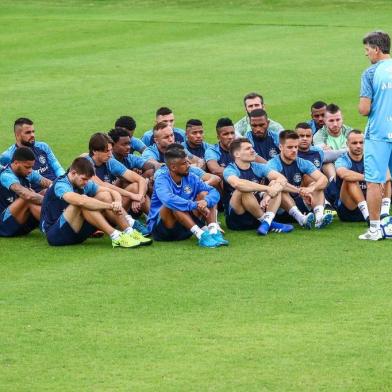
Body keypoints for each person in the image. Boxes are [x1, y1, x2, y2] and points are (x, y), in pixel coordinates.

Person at [40, 157, 151, 247]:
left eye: (88, 179)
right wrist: (109, 206)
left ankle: (129, 232)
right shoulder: (61, 185)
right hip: (55, 235)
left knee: (104, 195)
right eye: (84, 179)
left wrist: (117, 202)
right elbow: (81, 202)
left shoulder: (84, 183)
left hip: (77, 232)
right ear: (73, 173)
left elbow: (112, 191)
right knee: (82, 201)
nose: (86, 182)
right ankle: (116, 236)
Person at [147, 147, 228, 247]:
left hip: (185, 226)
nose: (188, 165)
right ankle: (201, 235)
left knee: (205, 194)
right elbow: (168, 199)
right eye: (184, 163)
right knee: (173, 204)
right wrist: (195, 205)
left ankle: (213, 231)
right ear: (173, 167)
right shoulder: (162, 180)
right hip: (163, 231)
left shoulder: (192, 177)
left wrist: (206, 202)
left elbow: (213, 191)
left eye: (188, 162)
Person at [358, 31, 392, 240]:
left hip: (379, 133)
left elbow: (364, 108)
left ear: (377, 49)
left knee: (373, 182)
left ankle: (374, 228)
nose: (366, 54)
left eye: (367, 49)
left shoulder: (370, 73)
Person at [223, 138, 293, 235]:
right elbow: (238, 184)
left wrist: (269, 195)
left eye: (252, 148)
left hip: (256, 214)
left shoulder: (258, 166)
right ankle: (270, 223)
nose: (253, 150)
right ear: (237, 154)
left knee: (274, 183)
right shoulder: (229, 170)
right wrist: (267, 189)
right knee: (242, 189)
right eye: (248, 149)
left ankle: (266, 222)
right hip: (238, 219)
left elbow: (282, 179)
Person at [86, 132, 150, 236]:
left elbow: (140, 180)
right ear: (95, 151)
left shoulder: (110, 162)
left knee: (135, 187)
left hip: (112, 208)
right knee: (104, 195)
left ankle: (155, 221)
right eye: (106, 151)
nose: (110, 154)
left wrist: (139, 196)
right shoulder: (86, 164)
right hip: (92, 211)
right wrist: (131, 195)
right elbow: (103, 185)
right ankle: (130, 224)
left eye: (110, 150)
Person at [267, 130, 333, 229]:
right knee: (277, 186)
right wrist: (300, 190)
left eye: (296, 147)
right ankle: (301, 219)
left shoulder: (302, 162)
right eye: (290, 147)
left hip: (300, 202)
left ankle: (319, 219)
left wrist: (312, 188)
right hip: (280, 209)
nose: (294, 150)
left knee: (316, 184)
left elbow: (323, 179)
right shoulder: (272, 164)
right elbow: (280, 183)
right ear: (280, 147)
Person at [335, 130, 391, 223]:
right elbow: (343, 173)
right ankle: (367, 216)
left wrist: (380, 178)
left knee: (384, 173)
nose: (358, 146)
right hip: (350, 209)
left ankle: (384, 214)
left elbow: (388, 175)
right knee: (349, 179)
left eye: (361, 142)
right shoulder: (343, 159)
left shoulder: (371, 158)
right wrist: (370, 178)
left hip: (372, 204)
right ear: (347, 143)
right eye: (354, 143)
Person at [0, 118, 64, 190]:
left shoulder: (43, 146)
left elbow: (57, 167)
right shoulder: (8, 156)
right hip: (37, 193)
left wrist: (63, 182)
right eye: (28, 132)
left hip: (56, 186)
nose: (32, 135)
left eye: (33, 132)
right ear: (17, 135)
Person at [0, 147, 51, 237]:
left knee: (47, 191)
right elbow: (26, 195)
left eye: (31, 167)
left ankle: (61, 220)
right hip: (4, 225)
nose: (30, 170)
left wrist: (65, 193)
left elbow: (50, 184)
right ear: (16, 163)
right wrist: (51, 201)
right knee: (27, 198)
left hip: (20, 220)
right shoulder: (6, 176)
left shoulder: (28, 173)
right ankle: (53, 227)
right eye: (27, 167)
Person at [295, 122, 344, 206]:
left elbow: (336, 154)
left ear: (312, 137)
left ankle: (334, 193)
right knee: (309, 175)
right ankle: (326, 204)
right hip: (300, 193)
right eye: (301, 136)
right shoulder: (292, 153)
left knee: (329, 164)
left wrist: (354, 150)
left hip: (319, 187)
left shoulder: (317, 151)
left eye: (308, 136)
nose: (305, 139)